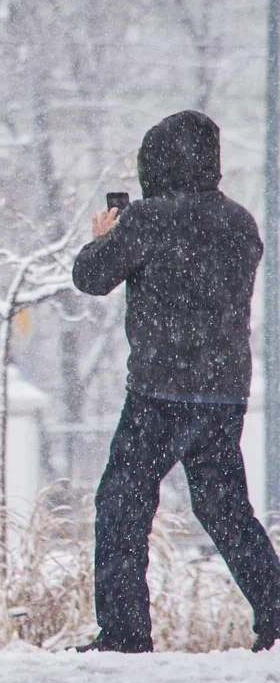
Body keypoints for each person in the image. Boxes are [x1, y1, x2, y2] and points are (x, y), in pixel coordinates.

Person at [72, 110, 280, 653]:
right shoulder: (240, 223)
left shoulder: (146, 219)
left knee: (122, 505)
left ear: (155, 162)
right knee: (225, 509)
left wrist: (103, 238)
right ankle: (278, 617)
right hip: (223, 392)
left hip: (159, 394)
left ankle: (124, 635)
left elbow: (91, 277)